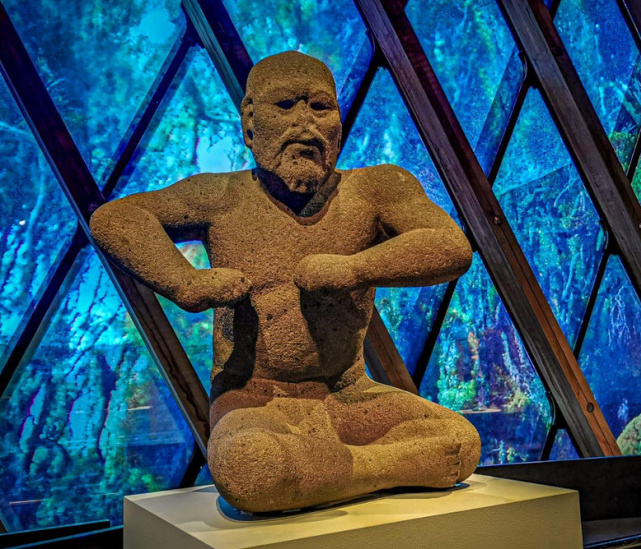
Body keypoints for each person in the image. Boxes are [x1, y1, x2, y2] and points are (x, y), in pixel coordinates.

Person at [90, 51, 481, 512]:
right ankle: (393, 468)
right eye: (285, 106)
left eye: (320, 107)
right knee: (250, 469)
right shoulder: (221, 197)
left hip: (350, 395)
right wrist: (184, 282)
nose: (305, 124)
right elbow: (117, 218)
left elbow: (449, 246)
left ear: (338, 119)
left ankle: (328, 474)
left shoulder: (375, 188)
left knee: (460, 441)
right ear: (250, 125)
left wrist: (354, 269)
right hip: (255, 402)